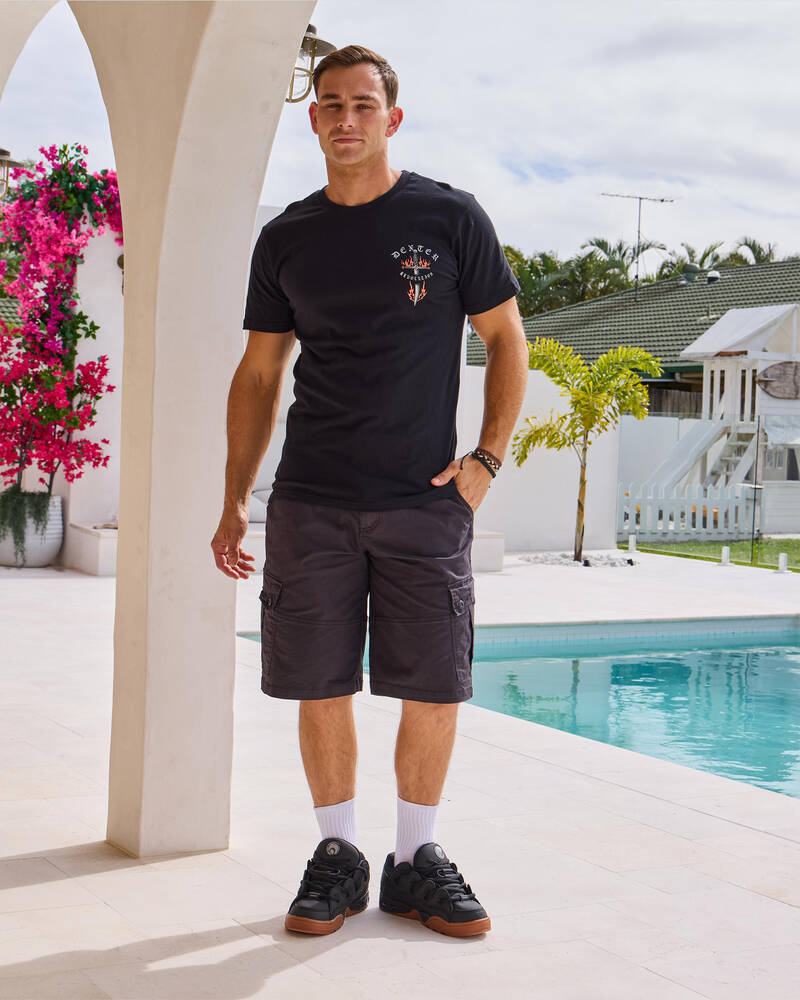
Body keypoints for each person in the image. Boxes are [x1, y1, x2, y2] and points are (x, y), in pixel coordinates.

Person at [212, 44, 528, 938]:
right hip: (313, 499)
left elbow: (507, 339)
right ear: (312, 118)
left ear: (392, 118)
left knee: (434, 685)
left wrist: (485, 461)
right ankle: (339, 855)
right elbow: (260, 373)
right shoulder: (287, 238)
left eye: (362, 104)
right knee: (321, 683)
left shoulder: (450, 217)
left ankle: (415, 859)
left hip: (425, 502)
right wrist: (235, 495)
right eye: (330, 104)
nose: (345, 118)